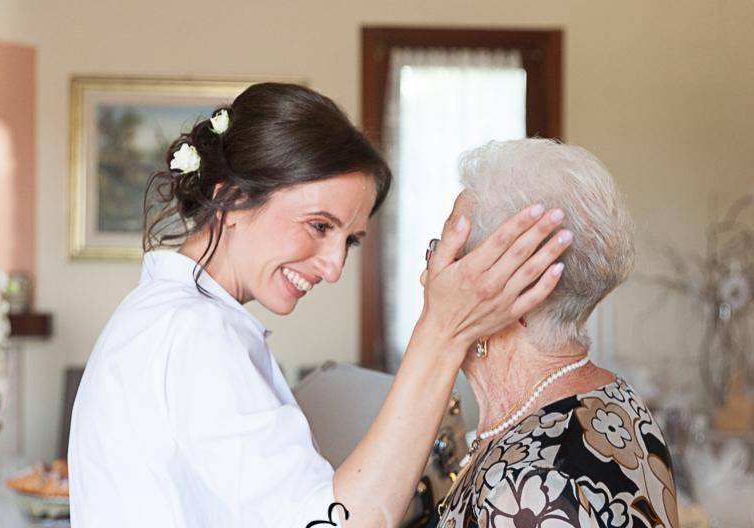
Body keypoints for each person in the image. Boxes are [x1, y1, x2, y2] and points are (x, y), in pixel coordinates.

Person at [68, 83, 573, 528]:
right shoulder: (193, 333)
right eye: (319, 226)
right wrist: (442, 333)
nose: (333, 268)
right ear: (233, 199)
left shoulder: (176, 317)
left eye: (349, 241)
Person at [434, 139, 676, 528]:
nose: (430, 273)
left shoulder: (521, 492)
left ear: (516, 293)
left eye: (447, 254)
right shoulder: (613, 398)